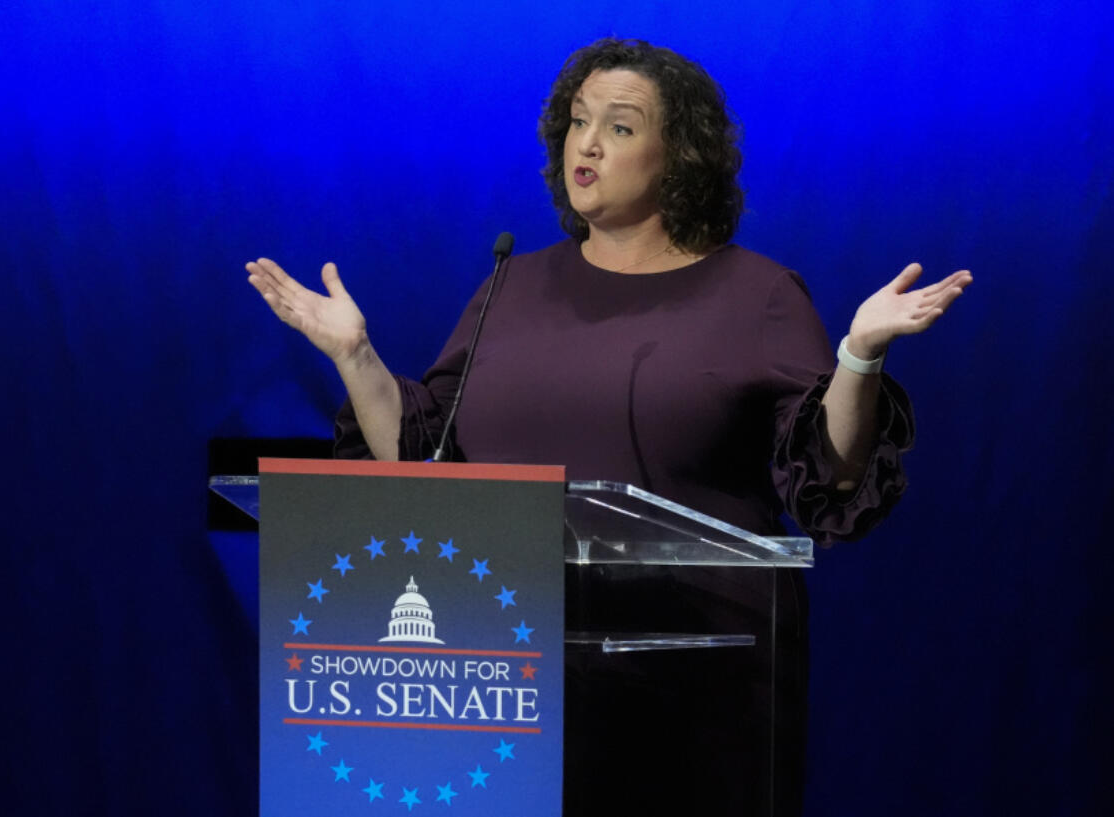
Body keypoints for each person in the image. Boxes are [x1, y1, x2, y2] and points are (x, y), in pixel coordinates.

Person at [247, 37, 970, 817]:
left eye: (620, 127)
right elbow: (426, 462)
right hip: (506, 684)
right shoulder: (509, 285)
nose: (586, 143)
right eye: (577, 121)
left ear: (680, 155)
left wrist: (860, 357)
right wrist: (356, 355)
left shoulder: (755, 295)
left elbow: (830, 473)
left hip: (696, 689)